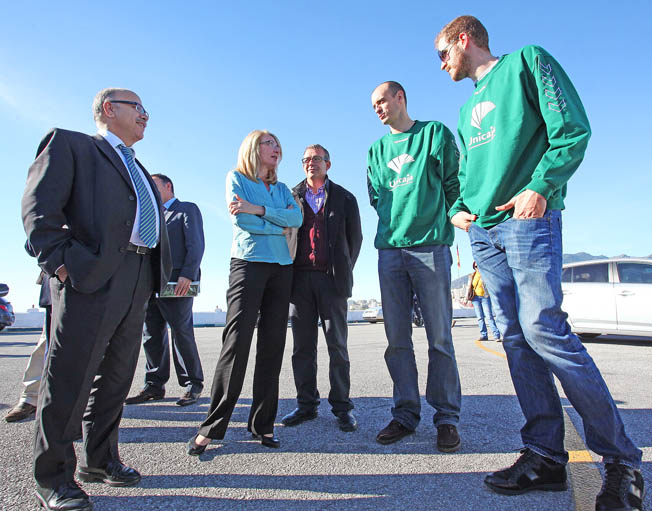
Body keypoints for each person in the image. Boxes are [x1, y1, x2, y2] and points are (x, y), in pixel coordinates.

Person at [435, 16, 644, 510]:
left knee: (544, 329)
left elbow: (571, 129)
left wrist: (540, 187)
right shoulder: (467, 111)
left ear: (465, 39)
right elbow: (469, 170)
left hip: (526, 218)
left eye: (442, 52)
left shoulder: (527, 61)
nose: (441, 64)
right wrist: (459, 208)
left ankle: (621, 462)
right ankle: (546, 456)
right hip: (484, 231)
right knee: (514, 339)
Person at [21, 87, 171, 511]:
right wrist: (62, 264)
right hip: (89, 276)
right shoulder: (70, 144)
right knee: (71, 375)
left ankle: (99, 461)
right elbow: (38, 211)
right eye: (138, 108)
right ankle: (52, 477)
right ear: (110, 110)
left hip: (139, 274)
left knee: (118, 376)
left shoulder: (138, 166)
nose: (145, 115)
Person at [187, 130, 302, 455]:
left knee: (273, 346)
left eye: (278, 144)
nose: (276, 148)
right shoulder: (236, 178)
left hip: (282, 268)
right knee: (236, 345)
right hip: (249, 265)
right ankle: (211, 428)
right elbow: (243, 223)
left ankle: (262, 425)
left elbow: (297, 218)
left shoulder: (282, 189)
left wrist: (261, 210)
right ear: (253, 149)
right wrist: (277, 225)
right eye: (269, 143)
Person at [367, 81, 462, 452]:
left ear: (400, 98)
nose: (377, 108)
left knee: (439, 338)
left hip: (430, 247)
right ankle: (405, 414)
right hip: (390, 252)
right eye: (373, 105)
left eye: (382, 101)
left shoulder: (434, 134)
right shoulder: (375, 150)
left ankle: (447, 418)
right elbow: (376, 196)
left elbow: (454, 183)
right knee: (397, 340)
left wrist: (444, 221)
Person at [281, 144, 362, 432]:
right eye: (305, 159)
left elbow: (355, 240)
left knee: (337, 346)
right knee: (302, 347)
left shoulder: (344, 198)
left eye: (316, 158)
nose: (310, 163)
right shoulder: (290, 196)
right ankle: (306, 406)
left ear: (328, 163)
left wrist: (341, 269)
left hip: (332, 280)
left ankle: (342, 407)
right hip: (298, 281)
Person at [126, 174, 205, 407]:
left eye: (154, 185)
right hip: (149, 283)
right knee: (151, 333)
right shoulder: (148, 216)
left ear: (168, 186)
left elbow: (196, 244)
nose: (149, 189)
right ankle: (153, 385)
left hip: (177, 282)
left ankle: (192, 384)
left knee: (181, 332)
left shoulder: (186, 210)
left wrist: (187, 275)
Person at [4, 242, 52, 423]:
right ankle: (32, 397)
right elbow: (34, 241)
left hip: (111, 282)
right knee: (48, 343)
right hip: (64, 281)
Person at [466, 262, 501, 342]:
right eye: (475, 266)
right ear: (474, 267)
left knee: (489, 316)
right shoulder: (472, 275)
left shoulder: (485, 274)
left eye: (478, 265)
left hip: (485, 297)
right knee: (480, 318)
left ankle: (496, 335)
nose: (477, 267)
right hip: (475, 298)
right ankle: (483, 335)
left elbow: (491, 284)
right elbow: (469, 287)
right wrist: (466, 299)